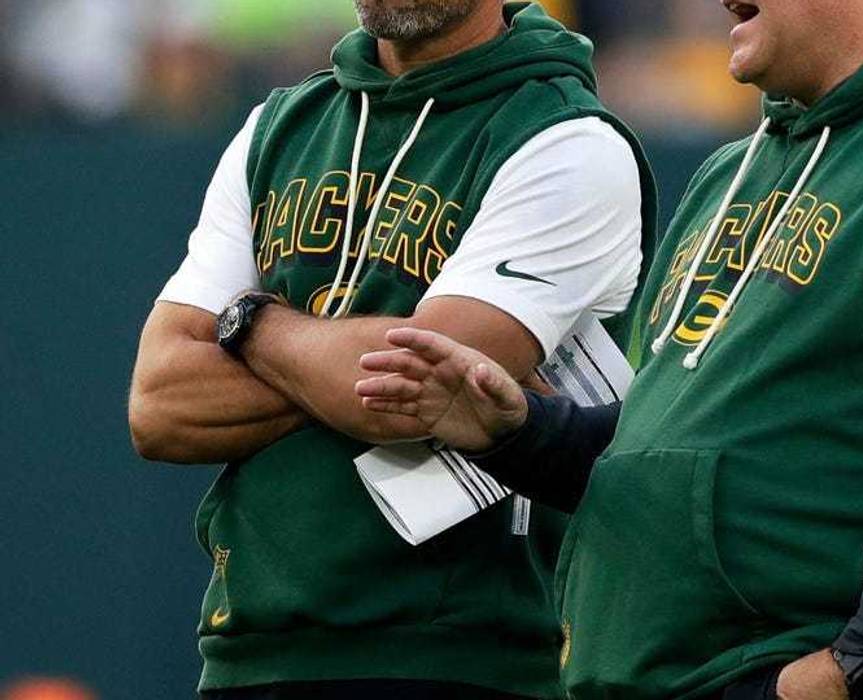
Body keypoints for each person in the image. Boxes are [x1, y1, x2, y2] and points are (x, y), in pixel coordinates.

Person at [354, 1, 863, 699]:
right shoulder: (728, 173)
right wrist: (516, 433)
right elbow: (664, 451)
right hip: (644, 674)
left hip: (786, 668)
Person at [127, 1, 656, 698]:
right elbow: (159, 403)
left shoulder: (567, 141)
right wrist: (341, 360)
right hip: (249, 646)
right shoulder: (278, 128)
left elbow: (411, 396)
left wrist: (250, 324)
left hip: (465, 655)